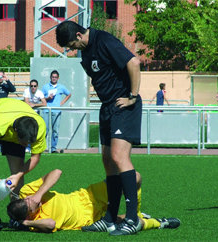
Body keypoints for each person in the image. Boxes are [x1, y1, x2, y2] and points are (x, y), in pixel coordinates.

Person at [55, 21, 142, 236]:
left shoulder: (104, 40)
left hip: (123, 104)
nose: (73, 49)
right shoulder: (85, 52)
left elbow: (134, 62)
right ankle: (110, 217)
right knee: (107, 160)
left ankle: (132, 219)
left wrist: (132, 96)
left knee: (118, 156)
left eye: (72, 44)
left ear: (79, 34)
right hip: (107, 107)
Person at [7, 169, 180, 233]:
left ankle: (136, 212)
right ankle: (159, 223)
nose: (31, 200)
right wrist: (27, 222)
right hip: (91, 220)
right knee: (131, 222)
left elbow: (57, 172)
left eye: (27, 200)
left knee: (134, 177)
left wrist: (38, 195)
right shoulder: (33, 222)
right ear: (28, 214)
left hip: (87, 196)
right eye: (30, 205)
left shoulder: (27, 192)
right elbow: (51, 224)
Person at [41, 70, 71, 153]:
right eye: (52, 77)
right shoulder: (45, 87)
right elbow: (42, 98)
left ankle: (53, 148)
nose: (54, 78)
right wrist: (48, 98)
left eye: (55, 77)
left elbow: (69, 94)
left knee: (55, 131)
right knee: (45, 130)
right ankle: (42, 147)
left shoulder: (61, 87)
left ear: (58, 78)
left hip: (57, 111)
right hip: (47, 110)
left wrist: (62, 103)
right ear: (50, 77)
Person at [23, 79, 47, 153]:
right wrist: (30, 104)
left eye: (35, 86)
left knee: (35, 130)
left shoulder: (40, 92)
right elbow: (26, 102)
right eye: (31, 86)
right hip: (27, 113)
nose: (33, 87)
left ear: (37, 86)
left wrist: (35, 105)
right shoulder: (26, 91)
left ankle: (34, 146)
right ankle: (28, 146)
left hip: (36, 114)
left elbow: (44, 103)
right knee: (27, 130)